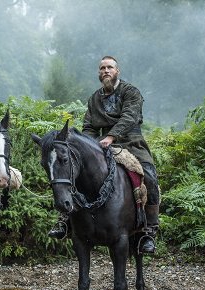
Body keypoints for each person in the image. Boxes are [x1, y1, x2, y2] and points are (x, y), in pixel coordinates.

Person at [48, 55, 160, 254]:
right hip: (99, 144)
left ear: (117, 71)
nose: (105, 71)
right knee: (74, 172)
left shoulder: (131, 92)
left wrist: (111, 136)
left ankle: (148, 231)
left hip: (131, 142)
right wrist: (87, 145)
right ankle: (66, 221)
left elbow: (129, 117)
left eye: (109, 67)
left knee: (149, 175)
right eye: (102, 68)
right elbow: (89, 126)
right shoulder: (94, 98)